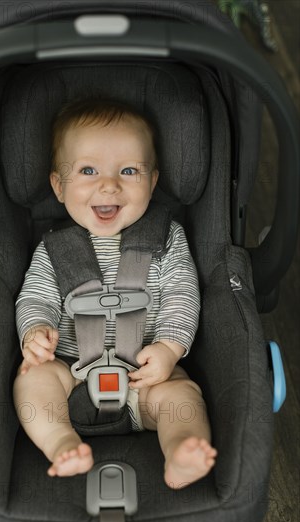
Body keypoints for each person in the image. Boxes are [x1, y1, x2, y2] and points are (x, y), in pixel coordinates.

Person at [13, 98, 217, 489]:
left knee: (182, 396)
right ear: (58, 185)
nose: (109, 184)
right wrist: (35, 332)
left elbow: (182, 295)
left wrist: (170, 350)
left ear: (153, 181)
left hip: (146, 377)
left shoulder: (166, 239)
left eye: (128, 170)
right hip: (70, 375)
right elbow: (34, 296)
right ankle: (60, 441)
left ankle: (180, 450)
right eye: (88, 170)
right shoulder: (54, 249)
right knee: (32, 380)